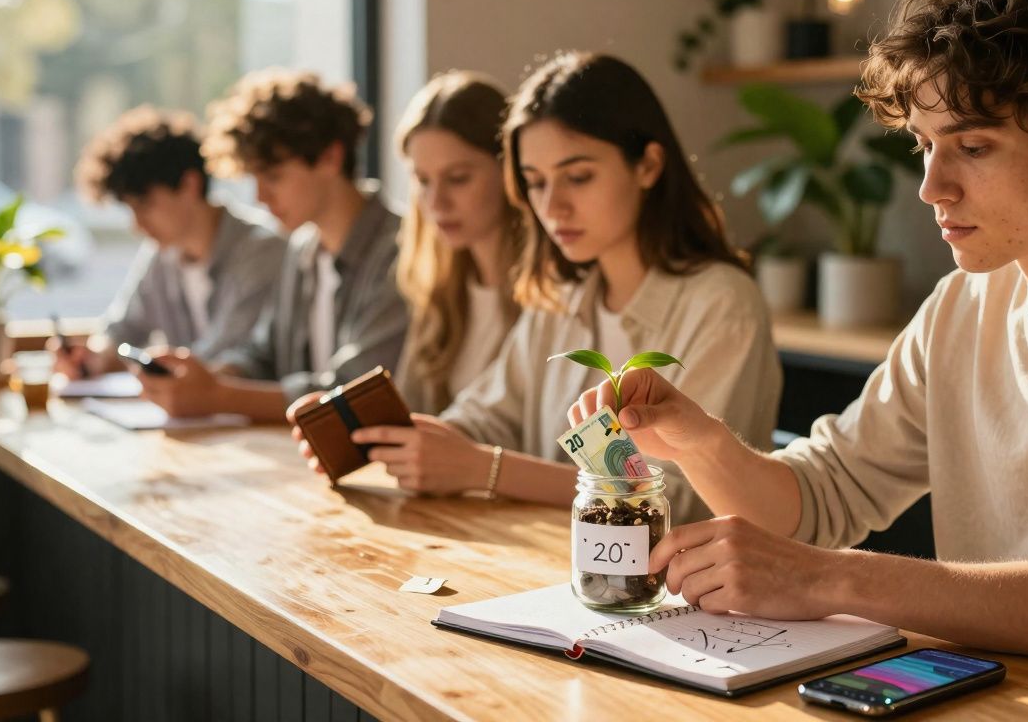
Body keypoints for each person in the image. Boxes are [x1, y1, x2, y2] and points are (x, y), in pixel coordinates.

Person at [568, 0, 1028, 689]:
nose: (931, 186)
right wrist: (701, 442)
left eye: (974, 146)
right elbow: (826, 493)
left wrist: (832, 580)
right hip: (985, 698)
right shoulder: (964, 303)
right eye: (925, 145)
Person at [292, 53, 781, 524]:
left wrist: (485, 469)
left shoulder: (721, 304)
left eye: (578, 177)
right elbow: (485, 417)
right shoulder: (561, 299)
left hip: (673, 596)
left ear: (648, 166)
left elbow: (682, 499)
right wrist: (391, 437)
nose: (553, 207)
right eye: (536, 183)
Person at [136, 70, 408, 422]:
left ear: (330, 157)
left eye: (274, 177)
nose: (261, 196)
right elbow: (264, 356)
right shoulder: (303, 249)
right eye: (255, 179)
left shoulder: (400, 250)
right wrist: (207, 378)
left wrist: (218, 396)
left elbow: (356, 395)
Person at [54, 105, 284, 378]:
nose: (137, 225)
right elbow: (122, 328)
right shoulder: (162, 253)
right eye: (130, 209)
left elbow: (225, 357)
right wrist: (94, 357)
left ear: (189, 185)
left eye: (145, 205)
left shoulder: (262, 250)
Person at [391, 71, 525, 414]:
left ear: (510, 171)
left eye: (458, 179)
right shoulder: (440, 294)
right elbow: (412, 417)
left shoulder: (548, 302)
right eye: (423, 181)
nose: (436, 203)